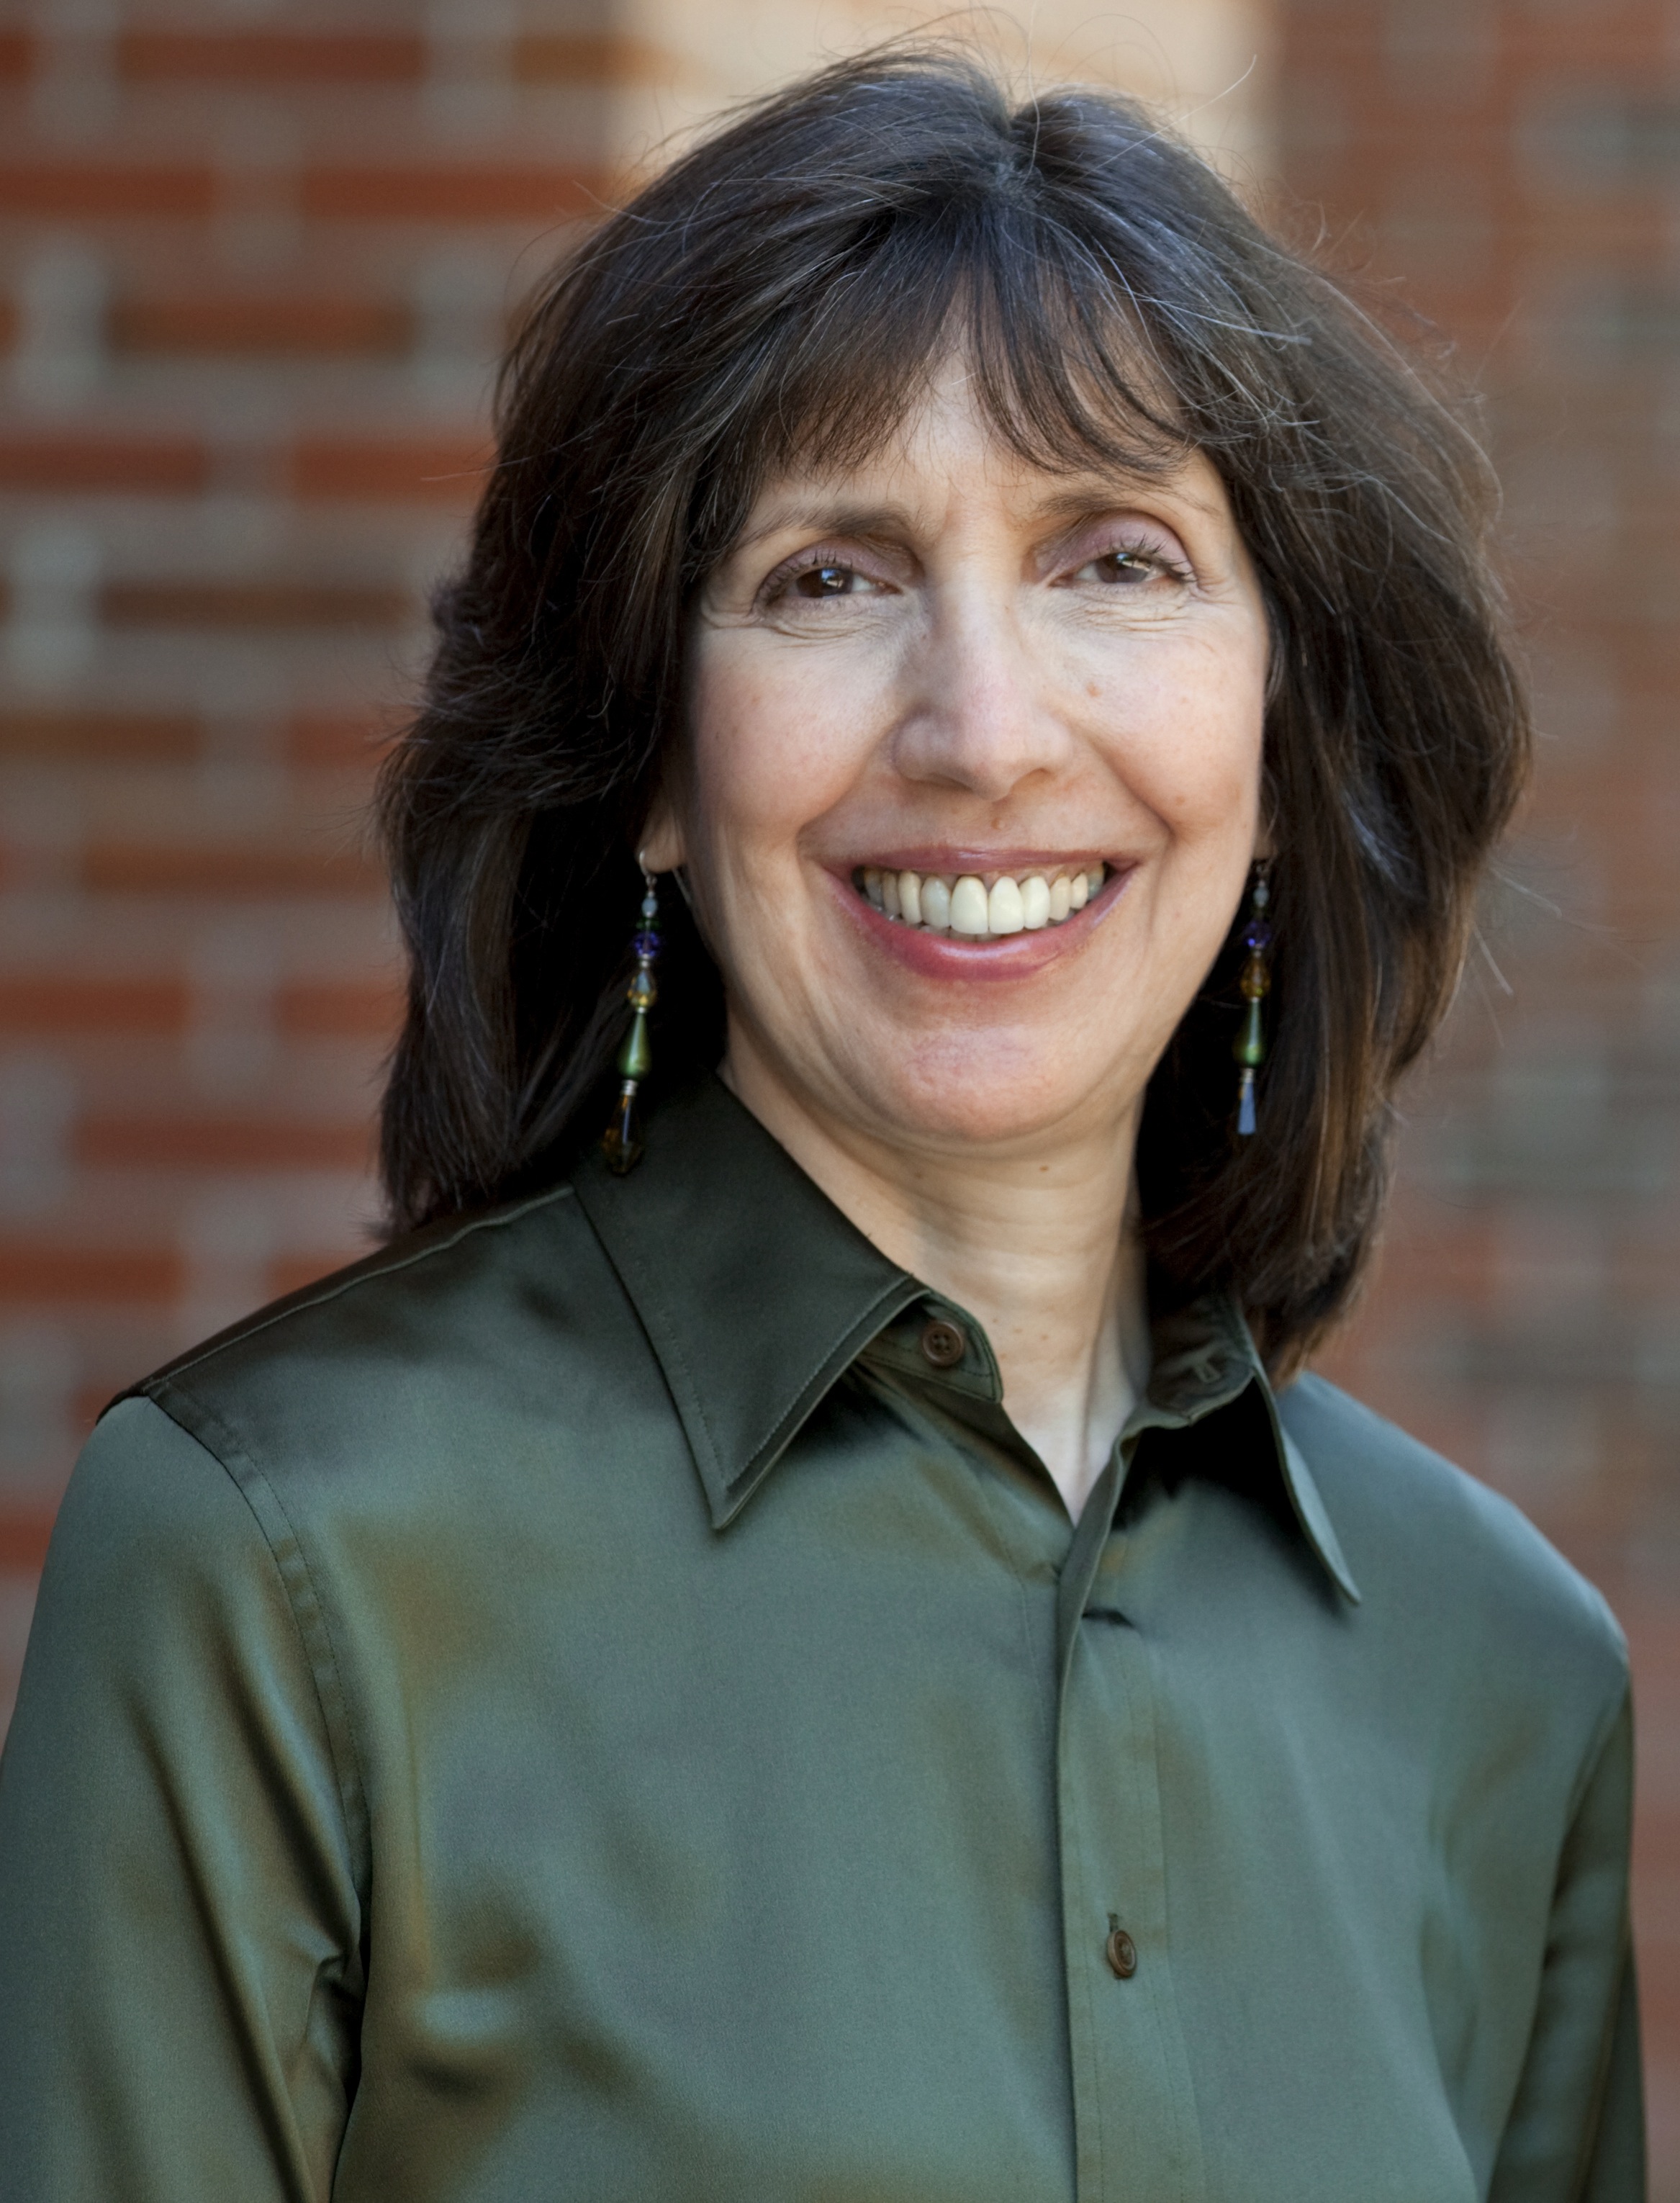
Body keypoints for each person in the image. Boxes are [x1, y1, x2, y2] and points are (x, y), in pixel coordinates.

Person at [0, 48, 1643, 2202]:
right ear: (658, 769)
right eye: (827, 578)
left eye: (1118, 563)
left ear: (1275, 728)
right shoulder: (281, 1569)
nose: (981, 732)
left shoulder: (1500, 1673)